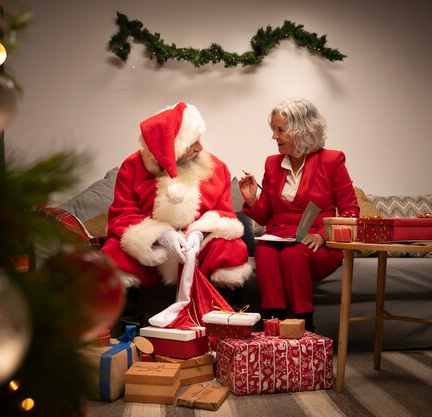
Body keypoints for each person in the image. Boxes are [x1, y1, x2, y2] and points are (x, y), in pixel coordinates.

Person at [100, 101, 252, 324]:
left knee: (231, 248)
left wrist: (199, 233)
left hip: (199, 245)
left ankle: (218, 321)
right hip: (153, 248)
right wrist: (162, 235)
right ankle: (131, 327)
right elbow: (122, 215)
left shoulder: (216, 167)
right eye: (193, 143)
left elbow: (225, 212)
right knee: (113, 251)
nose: (201, 147)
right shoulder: (132, 167)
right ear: (170, 148)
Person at [238, 98, 359, 331]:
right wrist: (252, 199)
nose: (274, 136)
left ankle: (305, 327)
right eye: (273, 129)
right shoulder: (272, 164)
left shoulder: (331, 161)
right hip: (278, 239)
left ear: (301, 131)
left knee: (293, 255)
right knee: (264, 252)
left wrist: (322, 236)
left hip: (317, 243)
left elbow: (350, 211)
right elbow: (265, 217)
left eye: (280, 130)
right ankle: (275, 325)